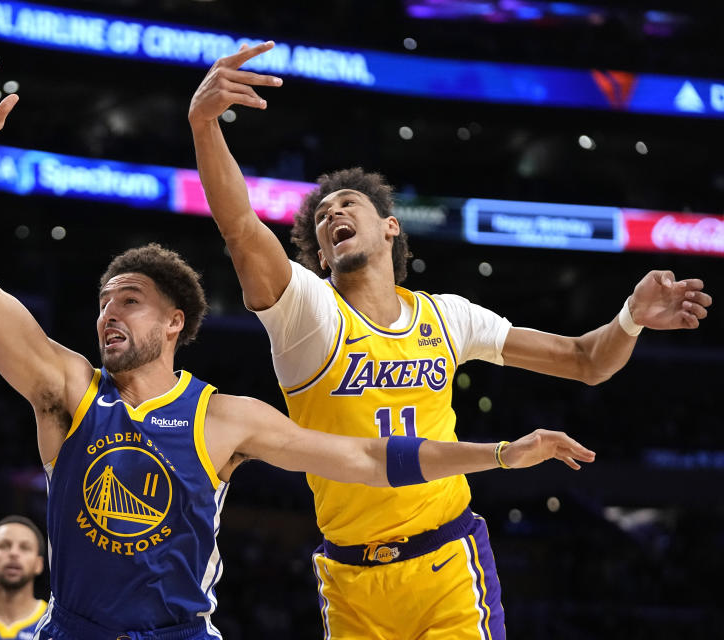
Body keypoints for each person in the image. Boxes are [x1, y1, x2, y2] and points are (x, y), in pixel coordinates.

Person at [0, 57, 594, 640]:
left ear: (176, 322)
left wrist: (505, 454)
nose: (109, 310)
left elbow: (369, 456)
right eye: (104, 300)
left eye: (130, 298)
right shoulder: (67, 391)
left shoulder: (224, 417)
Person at [188, 42, 713, 640]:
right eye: (321, 217)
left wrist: (630, 318)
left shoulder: (449, 317)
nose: (332, 214)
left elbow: (586, 361)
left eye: (348, 204)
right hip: (352, 578)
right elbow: (239, 228)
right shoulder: (307, 314)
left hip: (447, 562)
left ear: (390, 226)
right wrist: (205, 126)